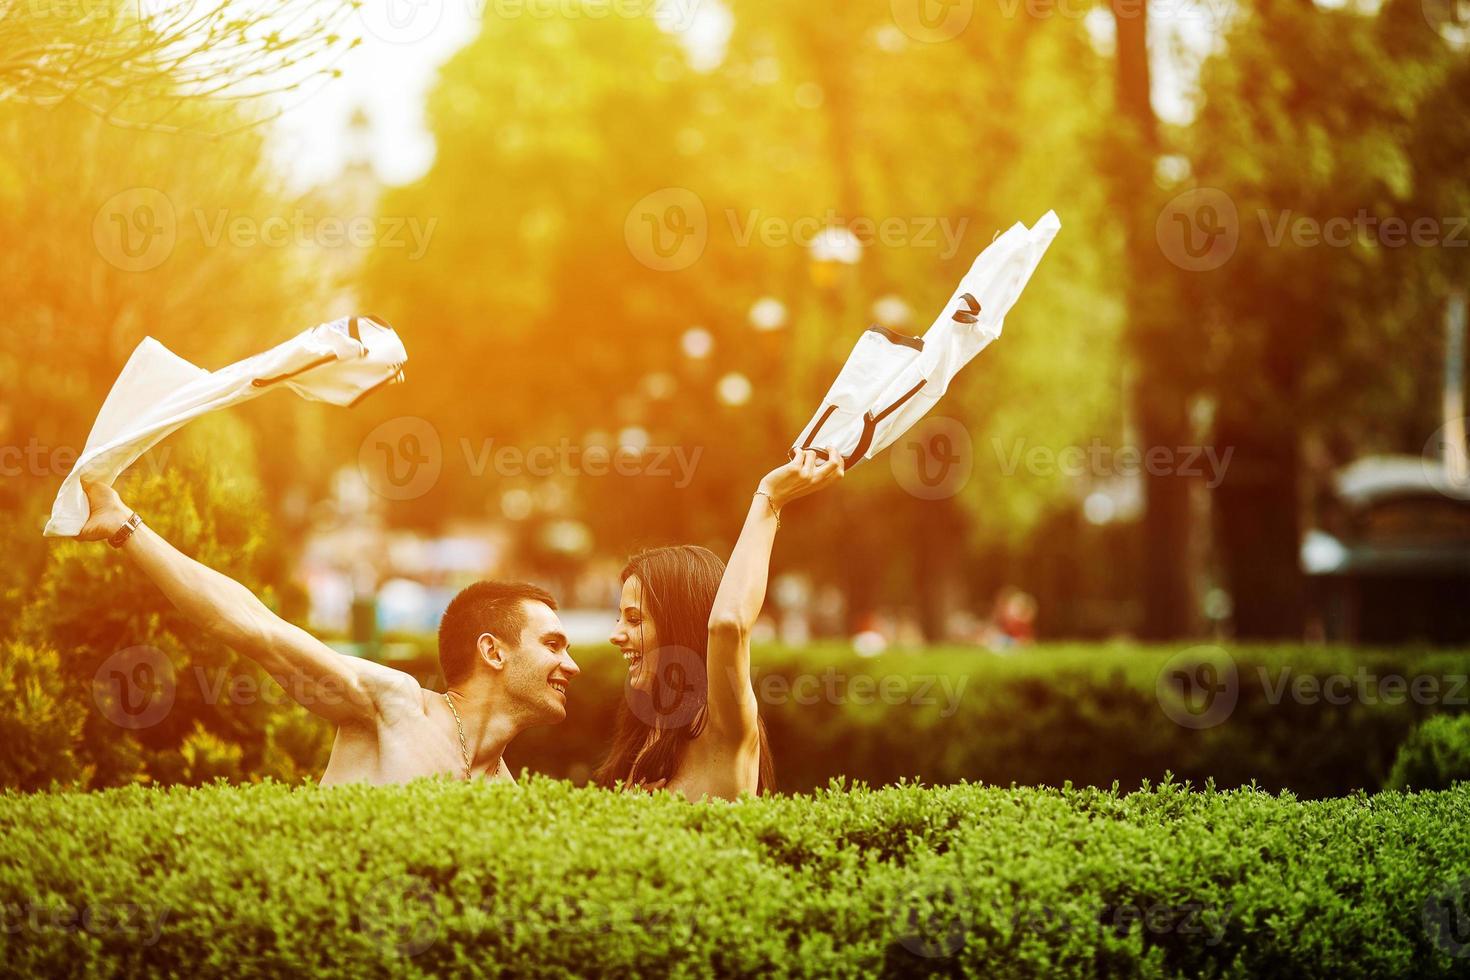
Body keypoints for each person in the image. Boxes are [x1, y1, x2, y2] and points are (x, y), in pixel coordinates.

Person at [76, 480, 579, 786]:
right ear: (492, 651)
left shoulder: (509, 795)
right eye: (552, 644)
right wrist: (127, 528)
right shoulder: (396, 706)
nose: (572, 665)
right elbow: (257, 629)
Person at [595, 448, 844, 800]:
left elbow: (728, 624)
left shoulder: (719, 721)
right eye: (619, 617)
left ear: (679, 623)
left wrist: (769, 498)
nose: (615, 634)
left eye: (634, 619)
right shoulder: (651, 727)